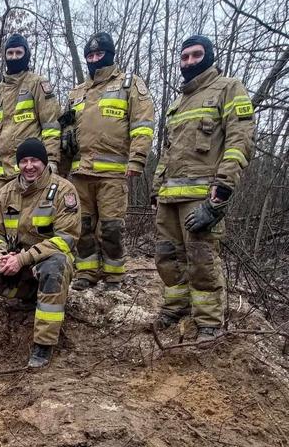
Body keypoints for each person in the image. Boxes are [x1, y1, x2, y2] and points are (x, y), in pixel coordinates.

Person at [152, 35, 255, 344]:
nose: (189, 62)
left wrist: (220, 193)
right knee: (166, 257)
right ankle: (176, 307)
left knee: (202, 259)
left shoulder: (229, 88)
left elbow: (240, 142)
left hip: (201, 195)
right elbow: (169, 150)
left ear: (209, 55)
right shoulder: (179, 101)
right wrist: (157, 185)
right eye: (184, 57)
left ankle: (208, 321)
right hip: (169, 196)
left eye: (196, 55)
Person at [0, 137, 81, 368]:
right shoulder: (6, 192)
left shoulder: (64, 191)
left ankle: (43, 345)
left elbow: (66, 238)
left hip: (48, 259)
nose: (29, 166)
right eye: (24, 161)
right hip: (14, 259)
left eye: (35, 160)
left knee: (55, 267)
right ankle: (32, 294)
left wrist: (23, 258)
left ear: (44, 162)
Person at [63, 32, 155, 290]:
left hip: (113, 174)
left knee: (112, 227)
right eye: (90, 56)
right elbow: (65, 134)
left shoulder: (129, 85)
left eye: (99, 54)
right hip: (80, 173)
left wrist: (137, 159)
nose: (94, 59)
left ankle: (114, 275)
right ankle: (87, 272)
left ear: (110, 54)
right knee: (83, 226)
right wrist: (58, 168)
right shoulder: (77, 92)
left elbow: (143, 125)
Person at [0, 33, 61, 197]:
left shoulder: (37, 84)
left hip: (30, 171)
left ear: (26, 55)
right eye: (10, 53)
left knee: (29, 221)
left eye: (18, 53)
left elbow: (51, 126)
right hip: (1, 175)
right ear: (5, 56)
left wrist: (51, 159)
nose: (14, 57)